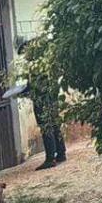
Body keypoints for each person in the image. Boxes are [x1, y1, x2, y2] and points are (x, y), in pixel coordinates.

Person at [17, 38, 66, 170]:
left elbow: (35, 86)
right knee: (55, 123)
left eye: (25, 54)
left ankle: (51, 158)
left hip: (42, 99)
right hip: (52, 97)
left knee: (46, 126)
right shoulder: (46, 62)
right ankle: (61, 153)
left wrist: (23, 92)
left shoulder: (36, 67)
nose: (25, 58)